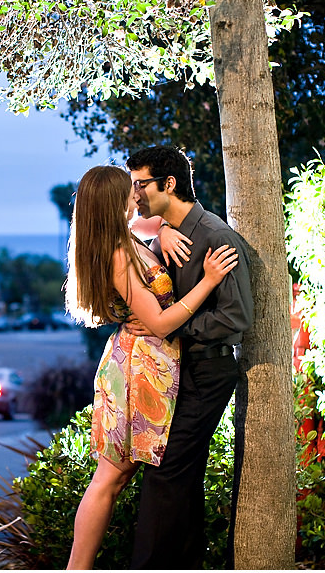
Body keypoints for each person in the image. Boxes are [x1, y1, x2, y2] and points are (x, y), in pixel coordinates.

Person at [64, 165, 239, 570]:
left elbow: (155, 221)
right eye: (131, 191)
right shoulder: (118, 254)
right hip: (137, 367)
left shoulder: (123, 238)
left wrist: (160, 232)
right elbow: (160, 323)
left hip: (144, 361)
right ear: (115, 201)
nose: (138, 195)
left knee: (115, 477)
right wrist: (209, 280)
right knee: (110, 478)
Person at [125, 146, 254, 569]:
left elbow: (236, 316)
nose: (135, 193)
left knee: (165, 474)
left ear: (169, 183)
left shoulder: (216, 237)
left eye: (140, 184)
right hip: (181, 370)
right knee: (179, 479)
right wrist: (159, 230)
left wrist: (174, 328)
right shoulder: (168, 233)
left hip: (207, 369)